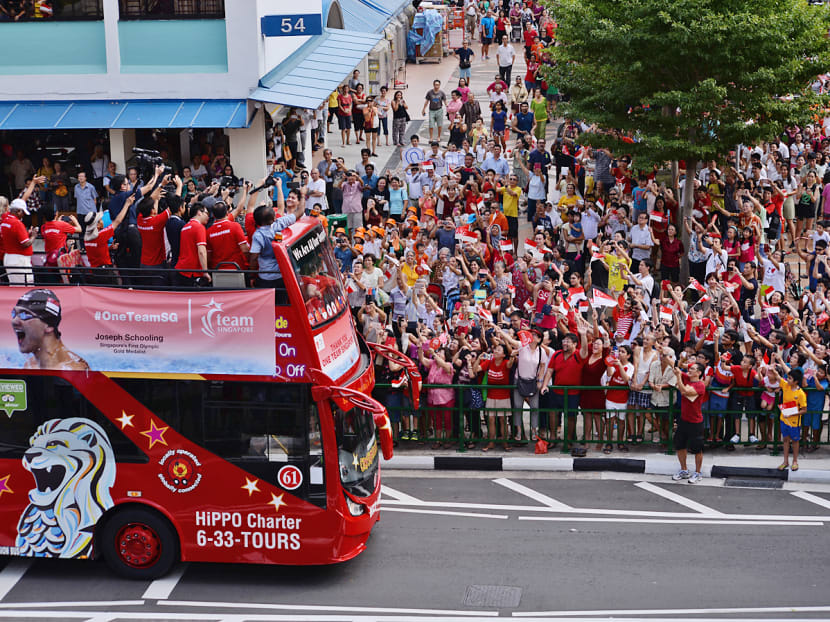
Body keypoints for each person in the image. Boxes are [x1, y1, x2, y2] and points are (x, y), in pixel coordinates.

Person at [11, 288, 89, 371]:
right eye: (14, 313)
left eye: (25, 315)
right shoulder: (30, 365)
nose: (14, 321)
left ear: (48, 326)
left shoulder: (74, 368)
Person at [671, 361, 706, 484]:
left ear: (699, 373)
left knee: (697, 449)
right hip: (684, 419)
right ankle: (684, 470)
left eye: (693, 369)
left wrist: (679, 377)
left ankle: (697, 472)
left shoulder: (700, 385)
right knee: (679, 445)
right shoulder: (687, 378)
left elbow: (685, 392)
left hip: (695, 422)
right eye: (689, 368)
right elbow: (675, 367)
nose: (689, 370)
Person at [769, 366, 807, 471]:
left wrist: (792, 414)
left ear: (796, 381)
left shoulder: (801, 394)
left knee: (795, 441)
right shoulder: (785, 386)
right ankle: (785, 461)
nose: (788, 380)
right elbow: (777, 377)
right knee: (785, 440)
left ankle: (795, 461)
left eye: (790, 378)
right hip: (784, 419)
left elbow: (804, 410)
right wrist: (773, 370)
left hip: (794, 422)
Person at [174, 203, 212, 287]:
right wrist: (205, 272)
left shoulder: (185, 227)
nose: (208, 217)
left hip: (181, 270)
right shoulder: (199, 227)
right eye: (206, 213)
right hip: (192, 272)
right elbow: (202, 251)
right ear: (199, 212)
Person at [1, 199, 37, 285]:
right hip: (19, 259)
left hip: (9, 257)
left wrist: (26, 235)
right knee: (24, 285)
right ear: (18, 211)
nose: (23, 215)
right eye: (23, 212)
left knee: (15, 285)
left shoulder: (5, 220)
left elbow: (14, 238)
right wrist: (33, 236)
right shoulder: (17, 223)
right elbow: (25, 244)